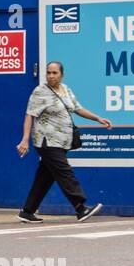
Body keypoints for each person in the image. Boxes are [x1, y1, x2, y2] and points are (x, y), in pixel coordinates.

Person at [16, 60, 110, 224]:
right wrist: (25, 140)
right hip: (47, 141)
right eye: (49, 72)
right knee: (64, 172)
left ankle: (27, 211)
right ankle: (80, 208)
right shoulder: (40, 92)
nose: (51, 76)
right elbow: (29, 115)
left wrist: (97, 118)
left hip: (62, 142)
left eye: (55, 73)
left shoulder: (65, 90)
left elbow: (77, 108)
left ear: (62, 74)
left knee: (45, 177)